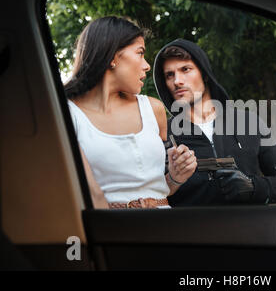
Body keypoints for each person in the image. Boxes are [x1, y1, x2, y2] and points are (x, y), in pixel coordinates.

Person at [64, 17, 197, 209]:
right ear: (112, 57)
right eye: (140, 53)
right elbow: (89, 197)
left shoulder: (154, 109)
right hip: (112, 231)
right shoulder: (67, 115)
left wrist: (175, 178)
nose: (147, 65)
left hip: (167, 228)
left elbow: (160, 190)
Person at [153, 38, 276, 206]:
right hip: (192, 230)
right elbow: (150, 195)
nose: (177, 81)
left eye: (185, 69)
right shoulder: (163, 133)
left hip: (248, 229)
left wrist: (253, 187)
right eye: (169, 75)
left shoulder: (247, 122)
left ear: (204, 73)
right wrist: (173, 179)